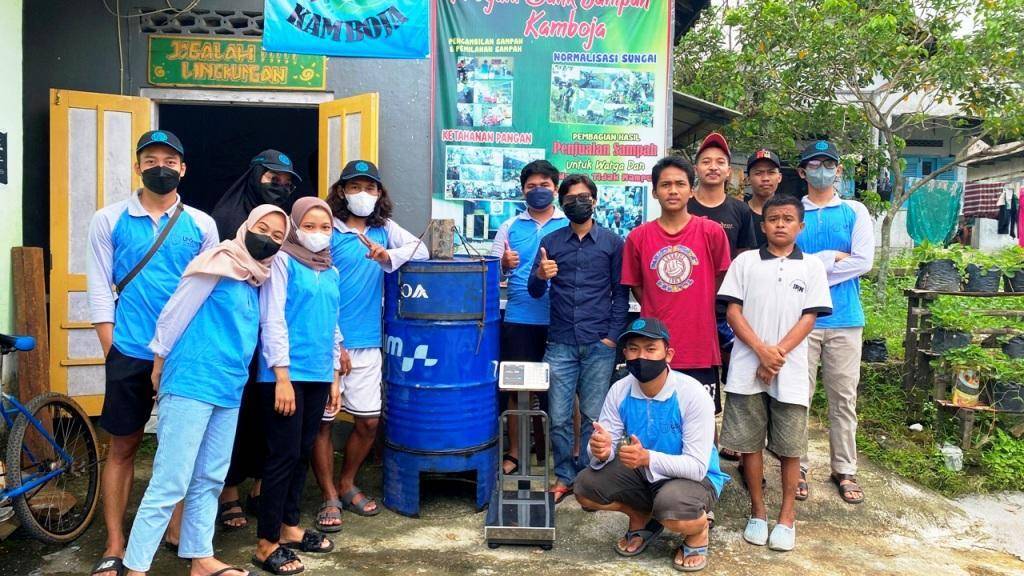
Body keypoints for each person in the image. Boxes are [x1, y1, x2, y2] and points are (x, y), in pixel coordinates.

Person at [122, 204, 289, 576]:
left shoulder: (260, 276)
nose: (269, 239)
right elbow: (176, 310)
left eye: (279, 236)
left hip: (229, 385)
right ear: (246, 226)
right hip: (191, 380)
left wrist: (281, 374)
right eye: (263, 228)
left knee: (211, 476)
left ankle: (200, 558)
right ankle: (135, 567)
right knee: (171, 479)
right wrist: (159, 361)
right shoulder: (218, 260)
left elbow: (272, 326)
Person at [87, 130, 219, 576]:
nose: (159, 166)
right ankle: (115, 542)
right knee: (123, 447)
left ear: (182, 168)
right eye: (150, 159)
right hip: (129, 350)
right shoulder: (108, 219)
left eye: (169, 159)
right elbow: (100, 289)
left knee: (181, 447)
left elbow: (208, 295)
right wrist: (112, 349)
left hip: (184, 355)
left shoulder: (201, 225)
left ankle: (177, 530)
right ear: (138, 166)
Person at [311, 160, 428, 524]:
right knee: (324, 422)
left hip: (369, 342)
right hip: (328, 342)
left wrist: (387, 255)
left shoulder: (383, 229)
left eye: (371, 188)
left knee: (368, 422)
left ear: (380, 194)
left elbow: (420, 250)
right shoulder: (327, 230)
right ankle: (328, 494)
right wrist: (336, 345)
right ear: (342, 191)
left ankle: (348, 482)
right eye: (355, 187)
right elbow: (318, 291)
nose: (363, 194)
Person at [718, 194, 832, 552]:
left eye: (787, 218)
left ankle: (787, 516)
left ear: (801, 226)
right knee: (748, 445)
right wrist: (761, 353)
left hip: (792, 371)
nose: (780, 224)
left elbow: (809, 317)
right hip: (746, 369)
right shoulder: (745, 262)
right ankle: (758, 510)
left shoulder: (812, 267)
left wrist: (776, 355)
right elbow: (733, 312)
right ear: (762, 225)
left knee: (790, 447)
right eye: (772, 219)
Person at [574, 317, 730, 573]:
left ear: (668, 354)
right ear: (624, 353)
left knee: (671, 508)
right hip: (643, 470)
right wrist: (600, 449)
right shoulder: (619, 390)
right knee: (584, 487)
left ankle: (697, 533)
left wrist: (646, 458)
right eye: (633, 349)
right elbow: (607, 444)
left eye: (650, 349)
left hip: (694, 479)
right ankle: (640, 518)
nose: (641, 356)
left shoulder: (692, 394)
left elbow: (697, 467)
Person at [214, 149, 304, 528]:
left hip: (271, 337)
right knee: (233, 414)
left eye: (286, 182)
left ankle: (261, 486)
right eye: (272, 179)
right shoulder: (226, 220)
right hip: (233, 337)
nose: (279, 187)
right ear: (254, 176)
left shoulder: (291, 231)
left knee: (268, 415)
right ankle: (229, 491)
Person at [253, 197, 342, 574]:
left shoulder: (331, 270)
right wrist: (282, 377)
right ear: (294, 227)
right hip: (286, 375)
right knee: (281, 456)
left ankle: (290, 527)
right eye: (310, 226)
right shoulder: (283, 262)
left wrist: (336, 373)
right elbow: (272, 320)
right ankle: (265, 542)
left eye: (325, 228)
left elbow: (332, 322)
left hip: (319, 373)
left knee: (302, 452)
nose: (318, 234)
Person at [527, 174, 629, 503]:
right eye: (570, 199)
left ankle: (587, 476)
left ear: (595, 201)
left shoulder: (613, 243)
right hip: (560, 342)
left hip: (599, 343)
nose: (577, 203)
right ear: (562, 204)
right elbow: (533, 289)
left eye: (583, 197)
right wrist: (541, 276)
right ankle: (564, 476)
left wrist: (612, 338)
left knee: (593, 416)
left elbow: (621, 296)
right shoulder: (552, 242)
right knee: (557, 417)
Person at [795, 140, 875, 504]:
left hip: (845, 319)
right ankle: (798, 466)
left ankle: (844, 468)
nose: (821, 170)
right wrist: (830, 259)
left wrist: (814, 265)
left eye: (828, 164)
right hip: (801, 320)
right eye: (814, 164)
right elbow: (790, 261)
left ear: (839, 170)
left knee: (844, 398)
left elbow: (863, 261)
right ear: (802, 171)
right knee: (799, 399)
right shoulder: (794, 212)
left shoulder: (855, 211)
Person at [621, 156, 731, 411]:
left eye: (680, 184)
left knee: (702, 419)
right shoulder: (638, 237)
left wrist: (697, 300)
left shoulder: (711, 232)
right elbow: (637, 287)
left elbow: (720, 278)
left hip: (699, 345)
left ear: (691, 190)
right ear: (655, 191)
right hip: (652, 347)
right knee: (654, 416)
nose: (673, 190)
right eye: (666, 184)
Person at [488, 160, 569, 476]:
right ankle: (515, 452)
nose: (538, 191)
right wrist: (504, 265)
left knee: (563, 390)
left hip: (561, 320)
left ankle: (567, 452)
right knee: (515, 389)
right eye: (532, 186)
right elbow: (492, 275)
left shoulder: (567, 224)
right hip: (520, 319)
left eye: (545, 185)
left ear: (556, 188)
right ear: (522, 190)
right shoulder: (509, 227)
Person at [687, 133, 757, 461]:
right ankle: (696, 443)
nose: (713, 168)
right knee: (694, 380)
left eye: (720, 162)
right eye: (706, 161)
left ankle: (731, 437)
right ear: (696, 168)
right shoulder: (684, 205)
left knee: (736, 374)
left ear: (730, 171)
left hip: (727, 308)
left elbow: (746, 260)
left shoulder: (739, 211)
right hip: (689, 308)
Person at [211, 150, 301, 240]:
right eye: (275, 180)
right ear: (256, 176)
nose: (281, 189)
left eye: (287, 185)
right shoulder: (227, 218)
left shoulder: (283, 221)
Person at [744, 149, 784, 247]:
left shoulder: (788, 213)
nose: (765, 178)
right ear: (748, 179)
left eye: (771, 172)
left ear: (779, 177)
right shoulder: (740, 212)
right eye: (758, 173)